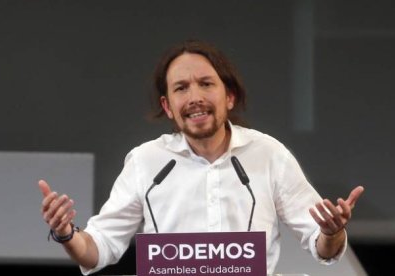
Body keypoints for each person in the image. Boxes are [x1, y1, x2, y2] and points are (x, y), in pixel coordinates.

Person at [39, 40, 364, 275]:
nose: (194, 97)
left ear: (230, 96)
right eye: (181, 88)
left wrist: (332, 232)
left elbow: (322, 246)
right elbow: (99, 249)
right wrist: (67, 233)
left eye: (206, 84)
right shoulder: (146, 161)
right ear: (168, 107)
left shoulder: (268, 154)